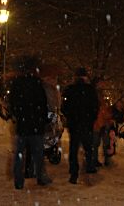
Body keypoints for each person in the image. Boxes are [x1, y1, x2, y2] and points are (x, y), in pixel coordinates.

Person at [8, 56, 52, 189]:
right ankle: (40, 177)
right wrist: (43, 120)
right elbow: (43, 104)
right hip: (35, 126)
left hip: (22, 125)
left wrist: (18, 115)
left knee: (20, 154)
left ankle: (18, 180)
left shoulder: (17, 83)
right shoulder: (37, 84)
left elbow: (13, 103)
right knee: (38, 154)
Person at [61, 67, 99, 184]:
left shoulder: (69, 90)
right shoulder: (91, 90)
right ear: (85, 77)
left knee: (74, 149)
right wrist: (91, 118)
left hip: (74, 124)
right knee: (88, 148)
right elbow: (95, 107)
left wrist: (70, 117)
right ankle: (89, 171)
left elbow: (64, 107)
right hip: (87, 124)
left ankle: (74, 173)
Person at [92, 94, 113, 167]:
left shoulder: (102, 106)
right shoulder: (101, 106)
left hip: (100, 127)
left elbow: (106, 115)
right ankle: (99, 160)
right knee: (99, 144)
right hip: (99, 127)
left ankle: (97, 160)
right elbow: (105, 116)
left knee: (98, 144)